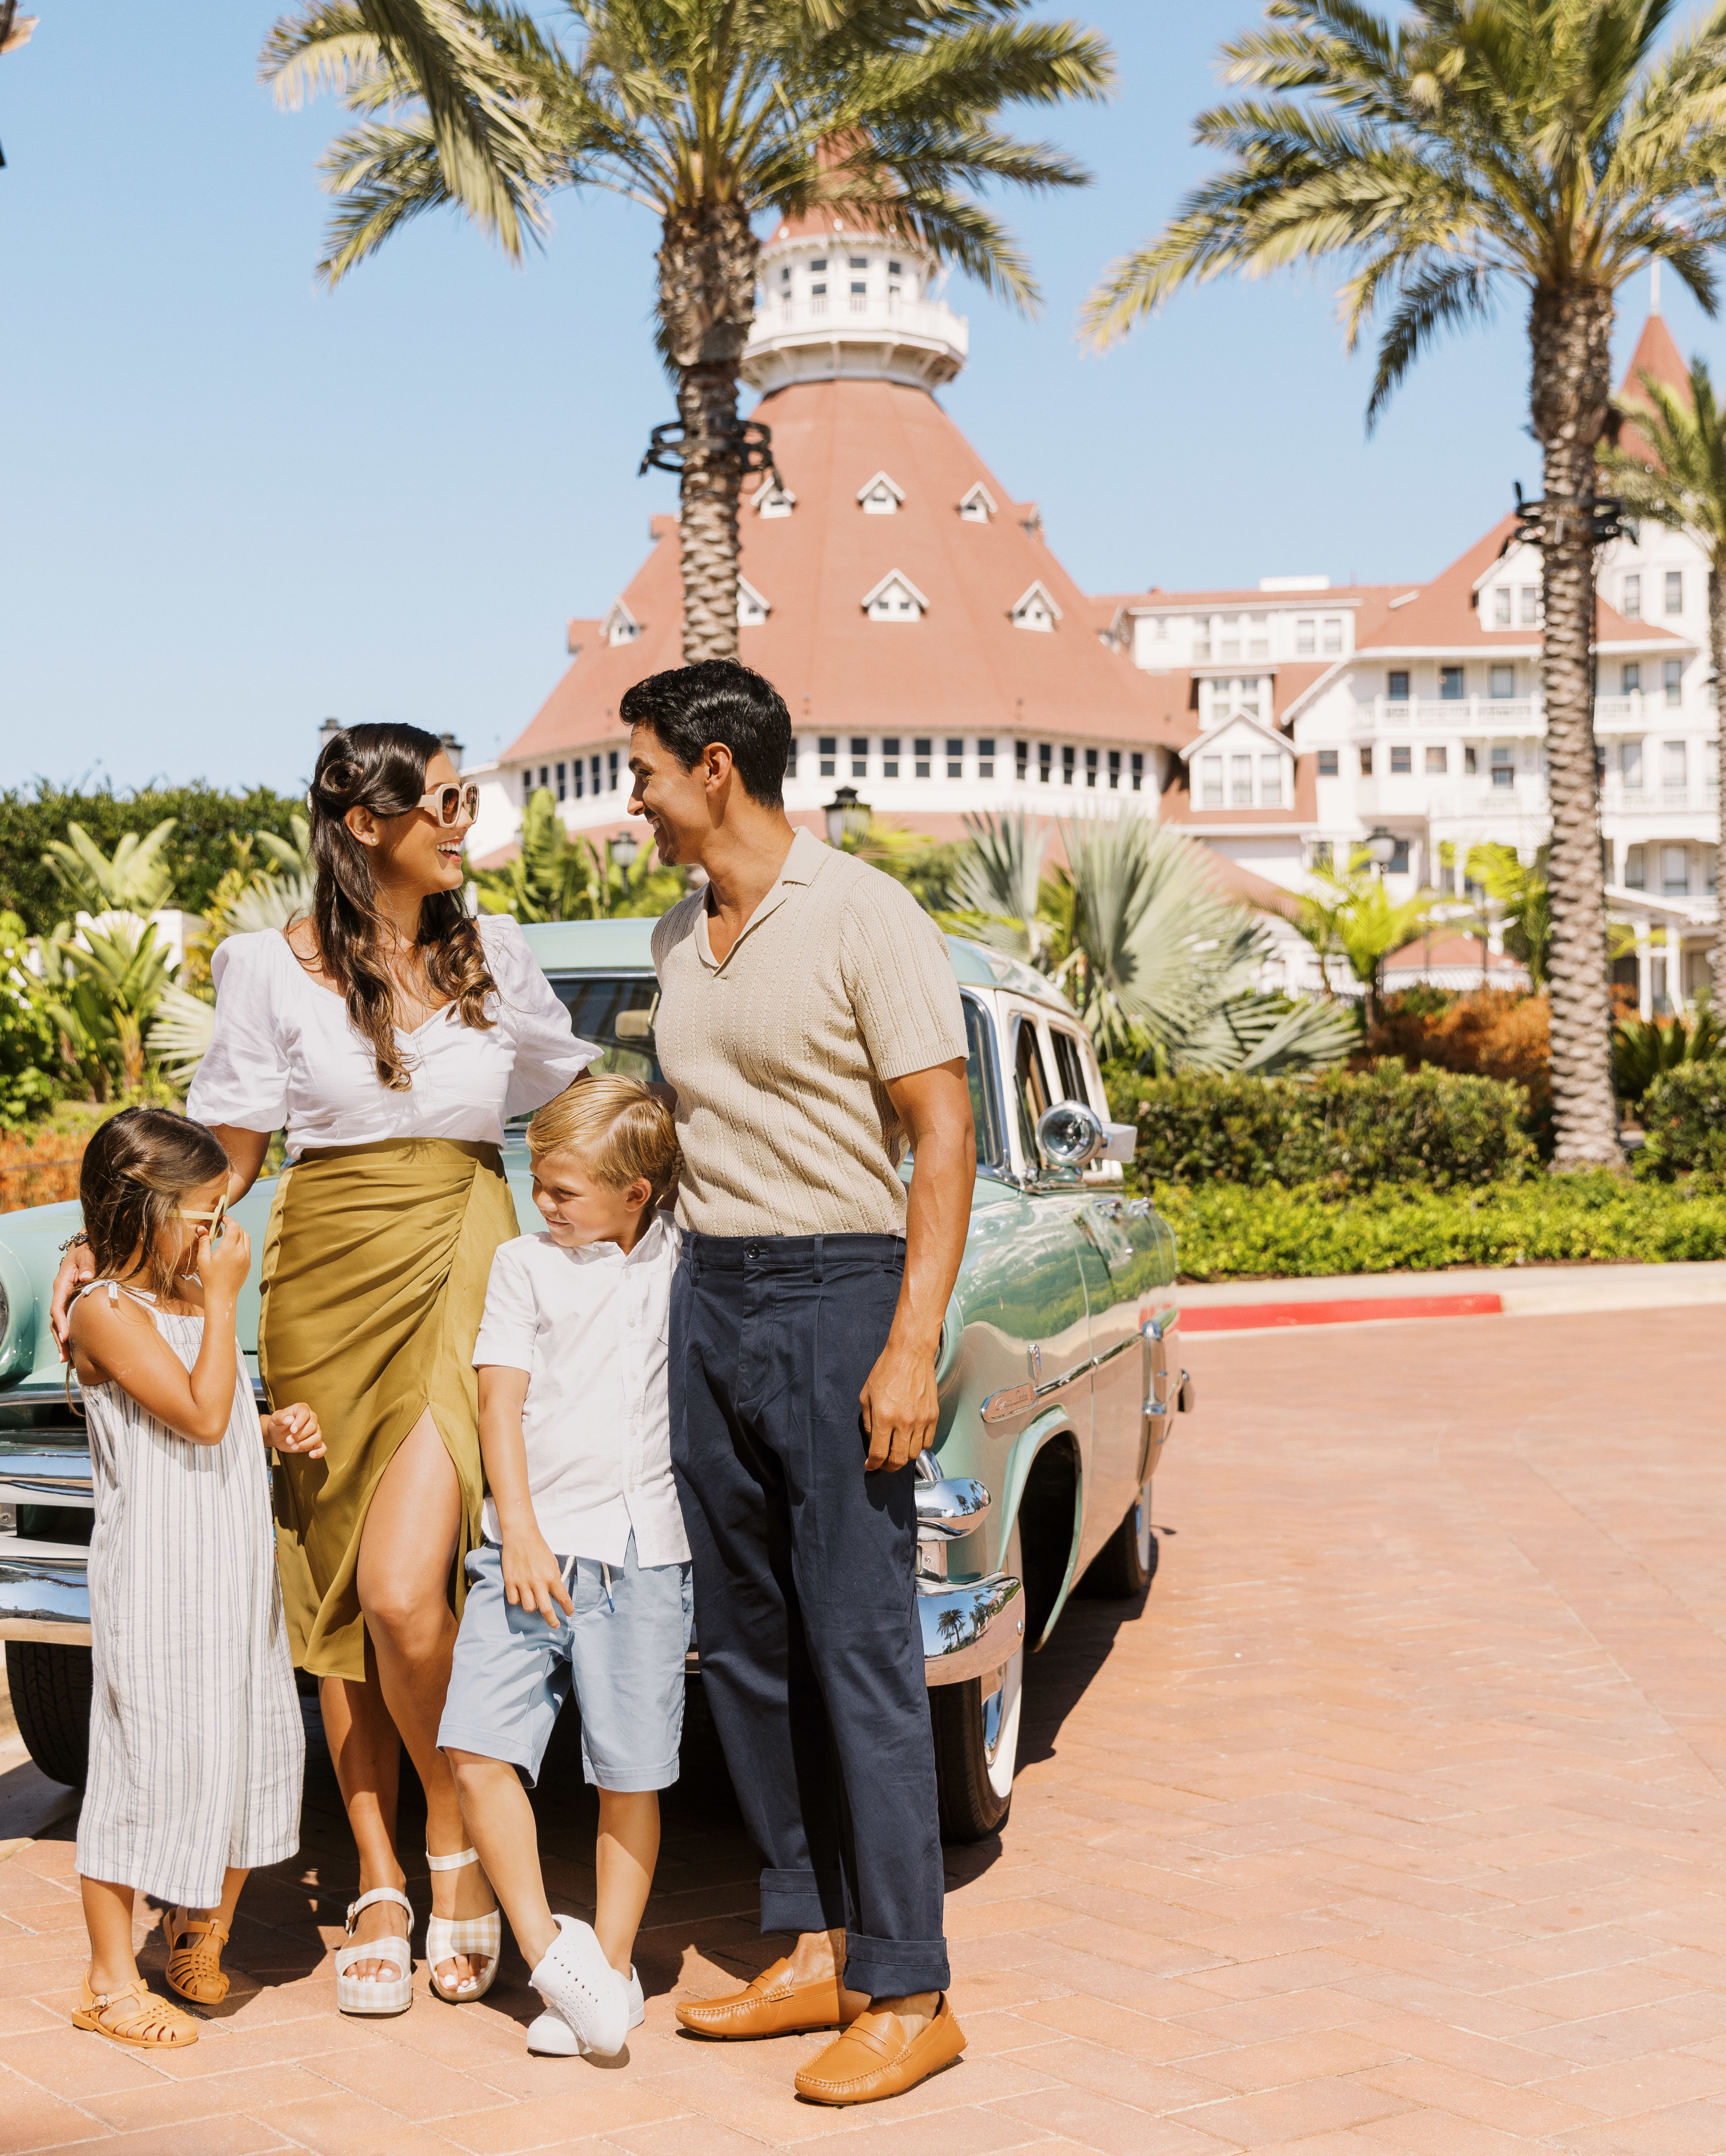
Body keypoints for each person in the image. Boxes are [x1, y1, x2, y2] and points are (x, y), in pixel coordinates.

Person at [54, 724, 597, 2013]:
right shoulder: (266, 966)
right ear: (366, 821)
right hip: (323, 1269)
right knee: (340, 1582)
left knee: (407, 1591)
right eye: (446, 799)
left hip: (462, 1246)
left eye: (468, 797)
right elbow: (230, 1152)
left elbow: (565, 1106)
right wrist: (109, 1251)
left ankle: (453, 1843)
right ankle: (378, 1870)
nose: (466, 820)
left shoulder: (496, 952)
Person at [622, 659, 978, 2106]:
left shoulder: (864, 911)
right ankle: (816, 1942)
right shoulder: (674, 933)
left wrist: (910, 1340)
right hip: (710, 1297)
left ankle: (913, 1985)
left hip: (840, 1295)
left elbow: (940, 1131)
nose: (633, 800)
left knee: (859, 1646)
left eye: (644, 772)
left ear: (714, 766)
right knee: (749, 1645)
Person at [439, 1076, 690, 2061]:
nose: (542, 1202)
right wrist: (521, 1533)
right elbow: (498, 1403)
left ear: (636, 1193)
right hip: (529, 1550)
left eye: (564, 1190)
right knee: (476, 1747)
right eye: (537, 1182)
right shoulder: (523, 1265)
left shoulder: (684, 1263)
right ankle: (555, 1960)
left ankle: (613, 1971)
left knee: (630, 1771)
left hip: (646, 1553)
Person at [65, 1108, 317, 2049]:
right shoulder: (105, 1310)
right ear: (145, 1208)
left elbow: (214, 1414)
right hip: (162, 1577)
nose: (219, 1233)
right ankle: (105, 1982)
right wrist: (224, 1301)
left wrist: (271, 1427)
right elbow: (200, 1418)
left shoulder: (181, 1298)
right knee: (146, 1765)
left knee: (246, 1746)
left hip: (231, 1568)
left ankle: (198, 1931)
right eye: (205, 1214)